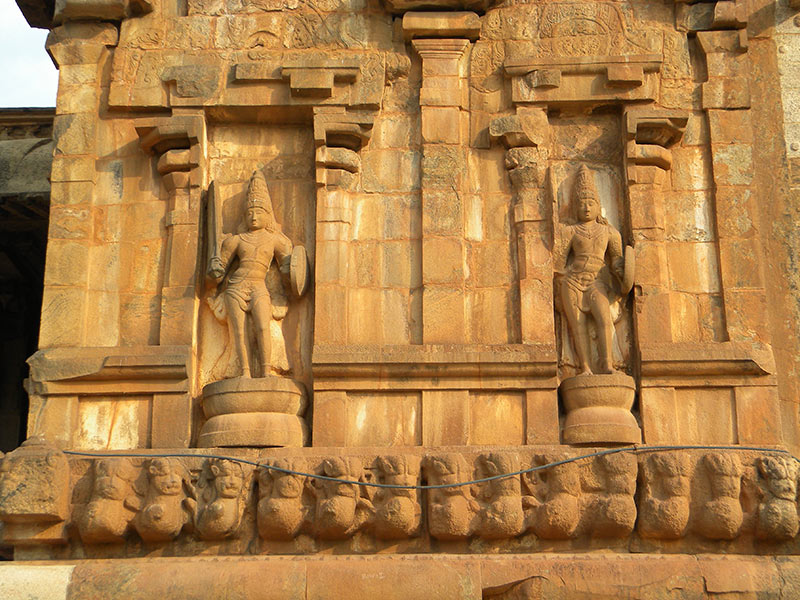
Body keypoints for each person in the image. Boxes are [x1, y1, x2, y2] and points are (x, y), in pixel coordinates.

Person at [207, 170, 292, 378]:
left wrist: (292, 271)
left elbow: (289, 265)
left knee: (263, 327)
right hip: (236, 288)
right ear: (245, 215)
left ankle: (265, 370)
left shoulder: (275, 240)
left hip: (258, 286)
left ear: (267, 215)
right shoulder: (235, 240)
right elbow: (218, 273)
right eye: (250, 212)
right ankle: (244, 372)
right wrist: (214, 270)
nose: (254, 216)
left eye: (259, 212)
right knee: (240, 332)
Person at [557, 165, 625, 375]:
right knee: (578, 326)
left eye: (590, 203)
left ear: (598, 206)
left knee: (604, 318)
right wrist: (559, 282)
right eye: (582, 204)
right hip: (573, 282)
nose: (586, 207)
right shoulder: (570, 231)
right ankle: (585, 367)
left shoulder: (609, 233)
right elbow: (559, 261)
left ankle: (607, 364)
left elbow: (617, 261)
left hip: (596, 282)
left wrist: (622, 270)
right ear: (575, 208)